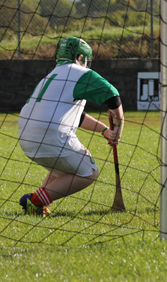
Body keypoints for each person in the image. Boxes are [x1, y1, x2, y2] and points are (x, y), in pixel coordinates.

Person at [18, 36, 124, 216]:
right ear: (81, 58)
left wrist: (104, 130)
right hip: (51, 136)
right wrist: (120, 122)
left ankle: (36, 205)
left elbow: (77, 116)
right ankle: (35, 200)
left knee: (64, 169)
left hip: (26, 139)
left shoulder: (51, 75)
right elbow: (112, 94)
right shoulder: (79, 72)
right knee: (89, 173)